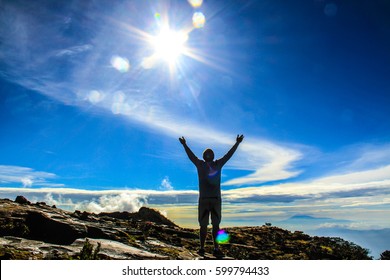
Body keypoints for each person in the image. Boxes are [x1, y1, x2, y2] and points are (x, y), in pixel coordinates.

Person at [179, 134, 244, 257]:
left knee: (203, 225)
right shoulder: (217, 164)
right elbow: (228, 155)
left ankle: (203, 248)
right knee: (215, 225)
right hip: (215, 200)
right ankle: (215, 249)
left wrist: (184, 145)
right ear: (212, 156)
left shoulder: (200, 164)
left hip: (204, 199)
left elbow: (191, 156)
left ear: (204, 157)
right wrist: (237, 143)